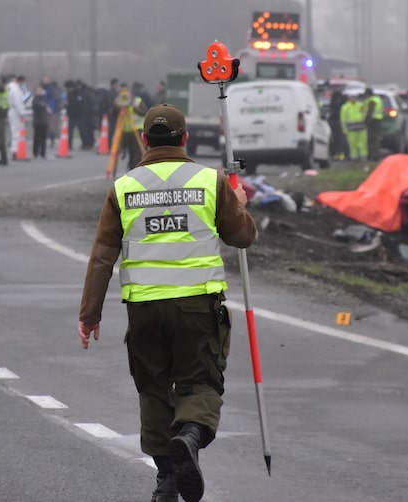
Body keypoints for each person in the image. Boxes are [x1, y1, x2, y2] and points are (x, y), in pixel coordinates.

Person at [77, 103, 257, 502]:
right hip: (197, 305)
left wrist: (89, 315)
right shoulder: (210, 181)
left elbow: (103, 256)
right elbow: (242, 237)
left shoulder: (124, 188)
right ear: (185, 139)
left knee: (153, 390)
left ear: (143, 141)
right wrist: (239, 202)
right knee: (202, 382)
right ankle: (190, 436)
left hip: (144, 309)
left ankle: (167, 480)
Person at [114, 82, 147, 170]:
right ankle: (131, 167)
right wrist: (116, 104)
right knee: (130, 152)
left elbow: (143, 112)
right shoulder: (121, 102)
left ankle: (134, 168)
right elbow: (113, 113)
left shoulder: (137, 101)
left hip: (138, 130)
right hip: (126, 131)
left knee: (137, 152)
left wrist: (133, 105)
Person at [340, 92, 367, 161]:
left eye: (354, 97)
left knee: (362, 143)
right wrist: (344, 130)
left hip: (361, 128)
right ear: (349, 98)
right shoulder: (345, 107)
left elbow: (365, 115)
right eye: (351, 97)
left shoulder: (361, 105)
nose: (353, 99)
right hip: (351, 129)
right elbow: (343, 119)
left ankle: (363, 156)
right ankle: (354, 157)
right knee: (352, 144)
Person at [6, 74, 27, 159]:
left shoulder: (8, 87)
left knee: (14, 130)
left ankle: (15, 150)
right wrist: (22, 113)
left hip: (11, 110)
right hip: (15, 111)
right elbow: (18, 102)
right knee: (17, 131)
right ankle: (15, 150)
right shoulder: (15, 89)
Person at [363, 87, 383, 161]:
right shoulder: (378, 99)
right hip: (378, 120)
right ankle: (376, 155)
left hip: (373, 121)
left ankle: (373, 156)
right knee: (376, 138)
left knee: (372, 139)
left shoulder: (372, 100)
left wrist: (366, 121)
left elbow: (370, 111)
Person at [32, 86, 51, 159]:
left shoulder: (44, 98)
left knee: (43, 138)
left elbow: (47, 106)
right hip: (37, 121)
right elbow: (39, 105)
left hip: (44, 121)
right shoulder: (35, 99)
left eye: (41, 90)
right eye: (38, 90)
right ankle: (35, 152)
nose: (39, 91)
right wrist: (46, 108)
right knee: (37, 138)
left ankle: (43, 153)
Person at [328, 86, 347, 160]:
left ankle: (341, 153)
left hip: (340, 120)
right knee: (336, 138)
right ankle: (336, 153)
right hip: (334, 120)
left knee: (340, 138)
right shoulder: (334, 98)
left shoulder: (341, 98)